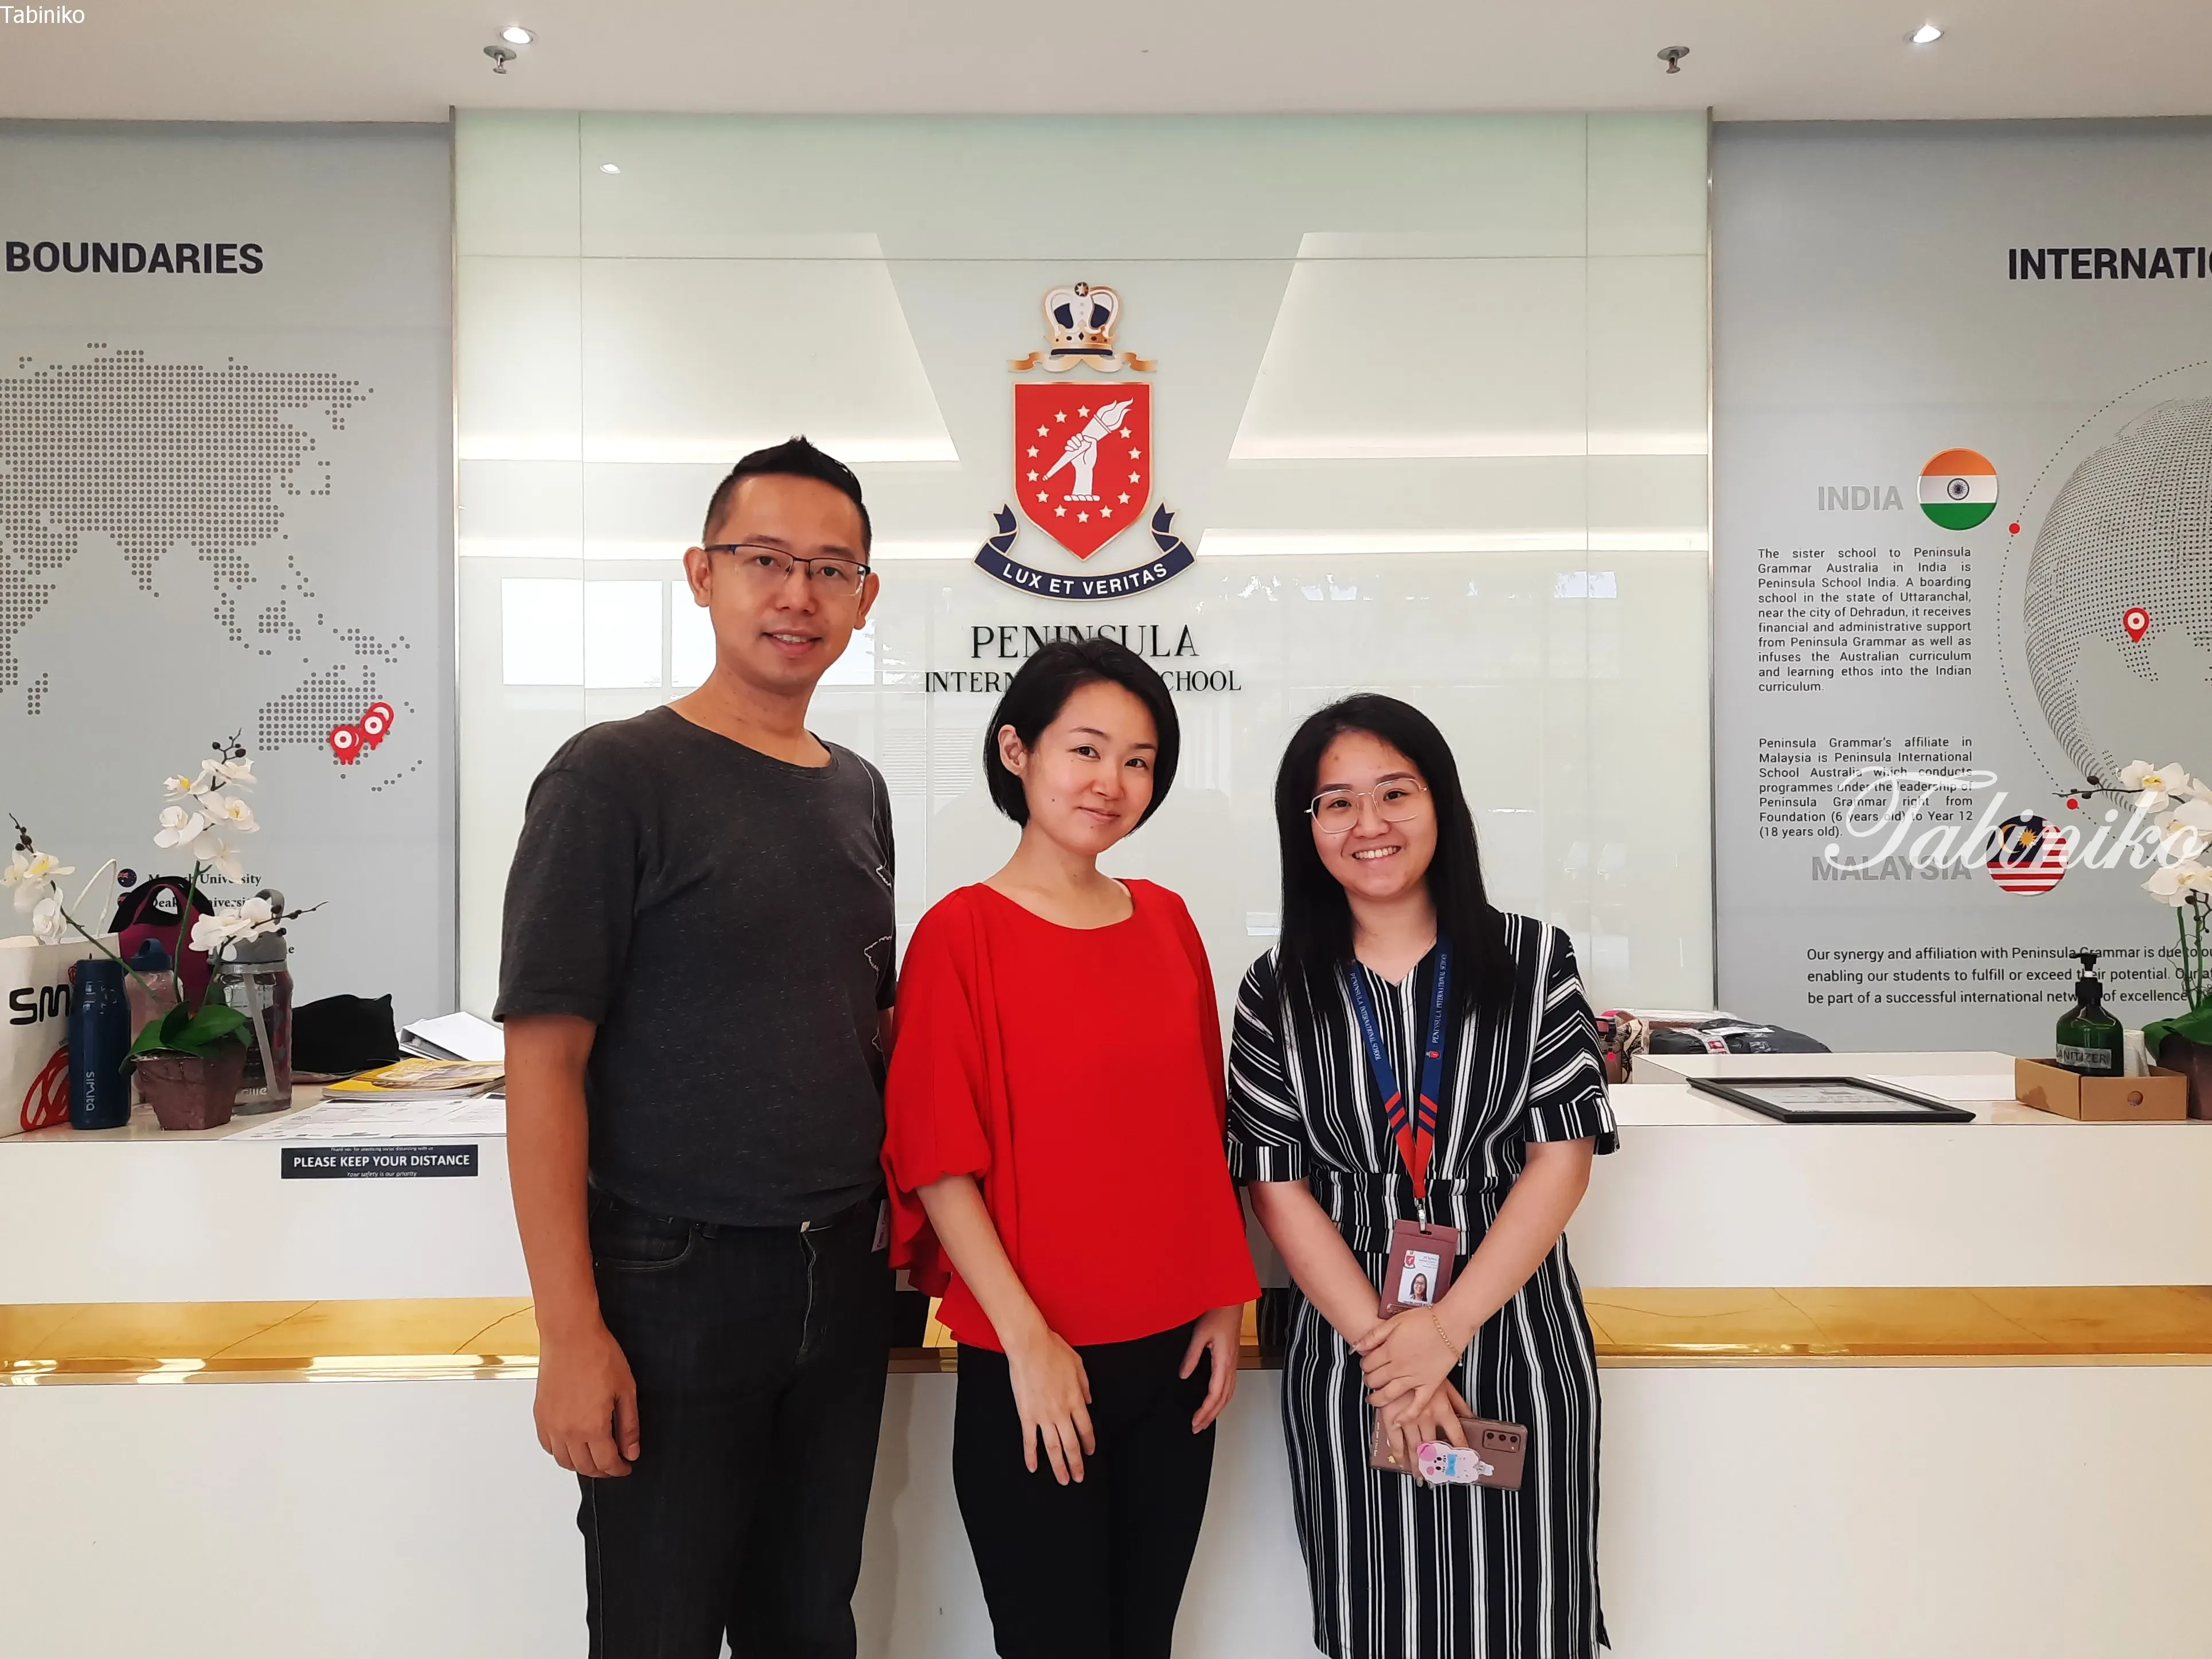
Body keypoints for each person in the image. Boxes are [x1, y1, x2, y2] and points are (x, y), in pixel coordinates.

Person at [496, 438, 897, 1659]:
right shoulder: (612, 777)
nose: (797, 594)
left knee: (809, 1624)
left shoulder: (857, 789)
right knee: (656, 1631)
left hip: (842, 1274)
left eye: (831, 569)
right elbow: (543, 1066)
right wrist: (570, 1333)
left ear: (866, 597)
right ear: (701, 573)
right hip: (672, 1280)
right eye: (765, 559)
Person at [882, 637, 1259, 1659]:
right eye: (1085, 750)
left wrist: (1221, 1297)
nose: (1111, 782)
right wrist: (1029, 1344)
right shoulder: (960, 933)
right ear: (1017, 751)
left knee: (1144, 1639)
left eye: (1138, 761)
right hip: (1033, 1360)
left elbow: (1201, 1127)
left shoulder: (1167, 920)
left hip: (1174, 1353)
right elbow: (937, 1160)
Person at [1228, 694, 1617, 1659]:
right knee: (1381, 1615)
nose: (1369, 824)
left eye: (1394, 793)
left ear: (1440, 802)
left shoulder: (1533, 960)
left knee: (1521, 1615)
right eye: (1336, 803)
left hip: (1509, 1328)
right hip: (1352, 1348)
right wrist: (1392, 1354)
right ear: (1305, 827)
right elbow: (1277, 1188)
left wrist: (1444, 1330)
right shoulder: (1275, 989)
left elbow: (1561, 1158)